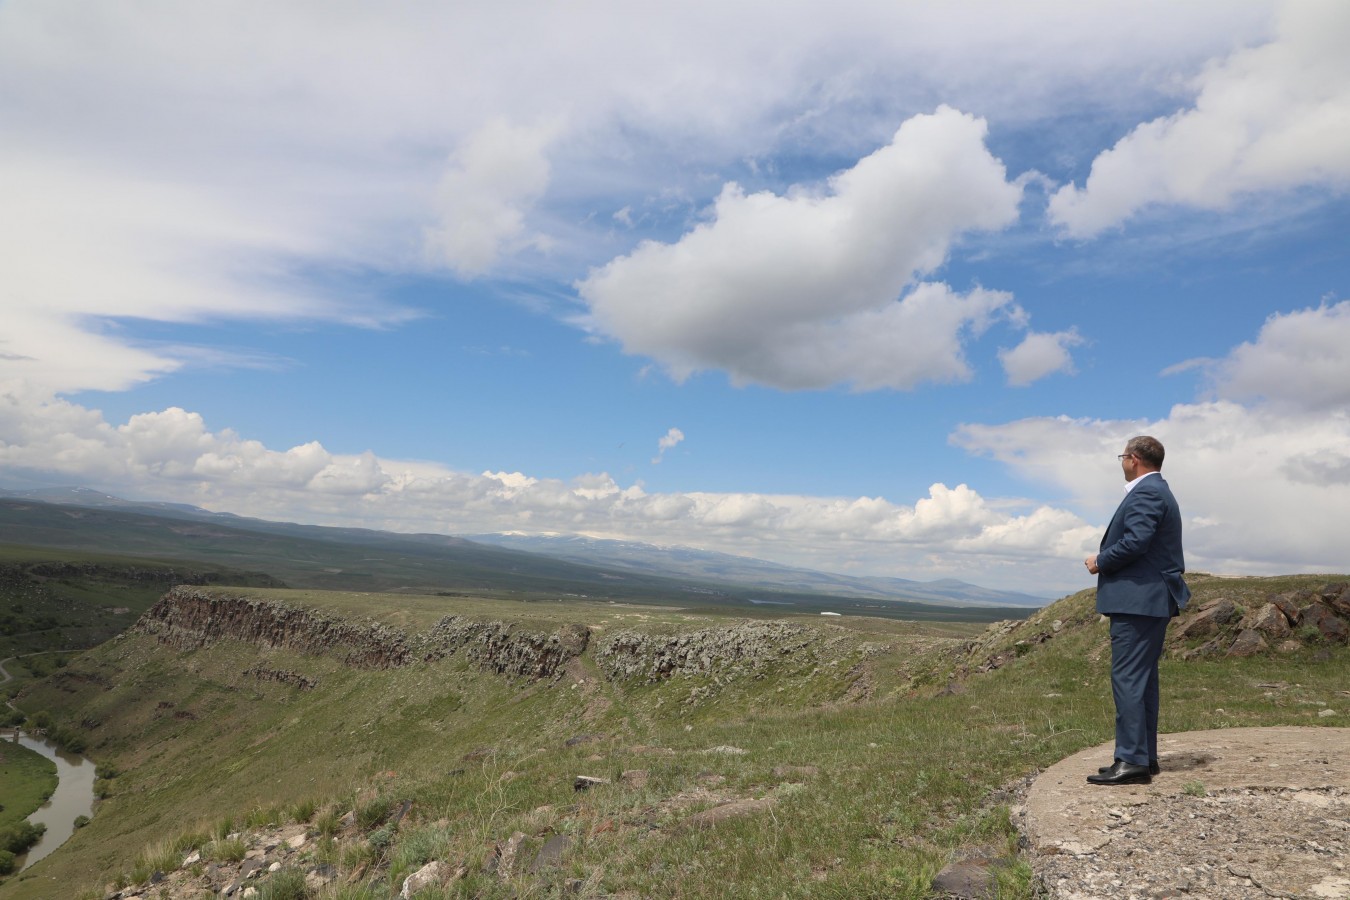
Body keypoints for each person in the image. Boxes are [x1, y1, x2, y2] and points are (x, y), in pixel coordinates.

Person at [1082, 435, 1190, 786]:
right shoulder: (1159, 490)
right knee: (1142, 682)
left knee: (1128, 679)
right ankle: (1144, 758)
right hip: (1149, 600)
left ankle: (1131, 760)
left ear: (1133, 459)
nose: (1122, 463)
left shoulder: (1146, 492)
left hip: (1138, 600)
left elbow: (1136, 541)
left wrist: (1100, 560)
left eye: (1122, 457)